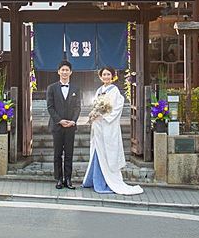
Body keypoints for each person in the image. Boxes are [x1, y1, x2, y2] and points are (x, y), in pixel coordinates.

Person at [82, 67, 143, 195]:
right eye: (104, 74)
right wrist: (94, 114)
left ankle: (107, 181)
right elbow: (96, 105)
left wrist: (103, 116)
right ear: (100, 77)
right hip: (98, 127)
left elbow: (116, 109)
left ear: (113, 76)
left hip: (108, 127)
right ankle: (95, 180)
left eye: (108, 74)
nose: (106, 77)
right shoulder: (99, 90)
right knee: (97, 151)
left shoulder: (114, 91)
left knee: (108, 154)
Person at [46, 60, 81, 190]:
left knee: (69, 153)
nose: (65, 72)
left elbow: (78, 107)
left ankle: (68, 179)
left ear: (71, 72)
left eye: (67, 70)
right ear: (58, 72)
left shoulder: (76, 88)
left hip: (70, 126)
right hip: (57, 126)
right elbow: (50, 107)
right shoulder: (51, 88)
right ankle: (59, 179)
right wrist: (59, 120)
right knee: (57, 153)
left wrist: (73, 121)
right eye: (63, 70)